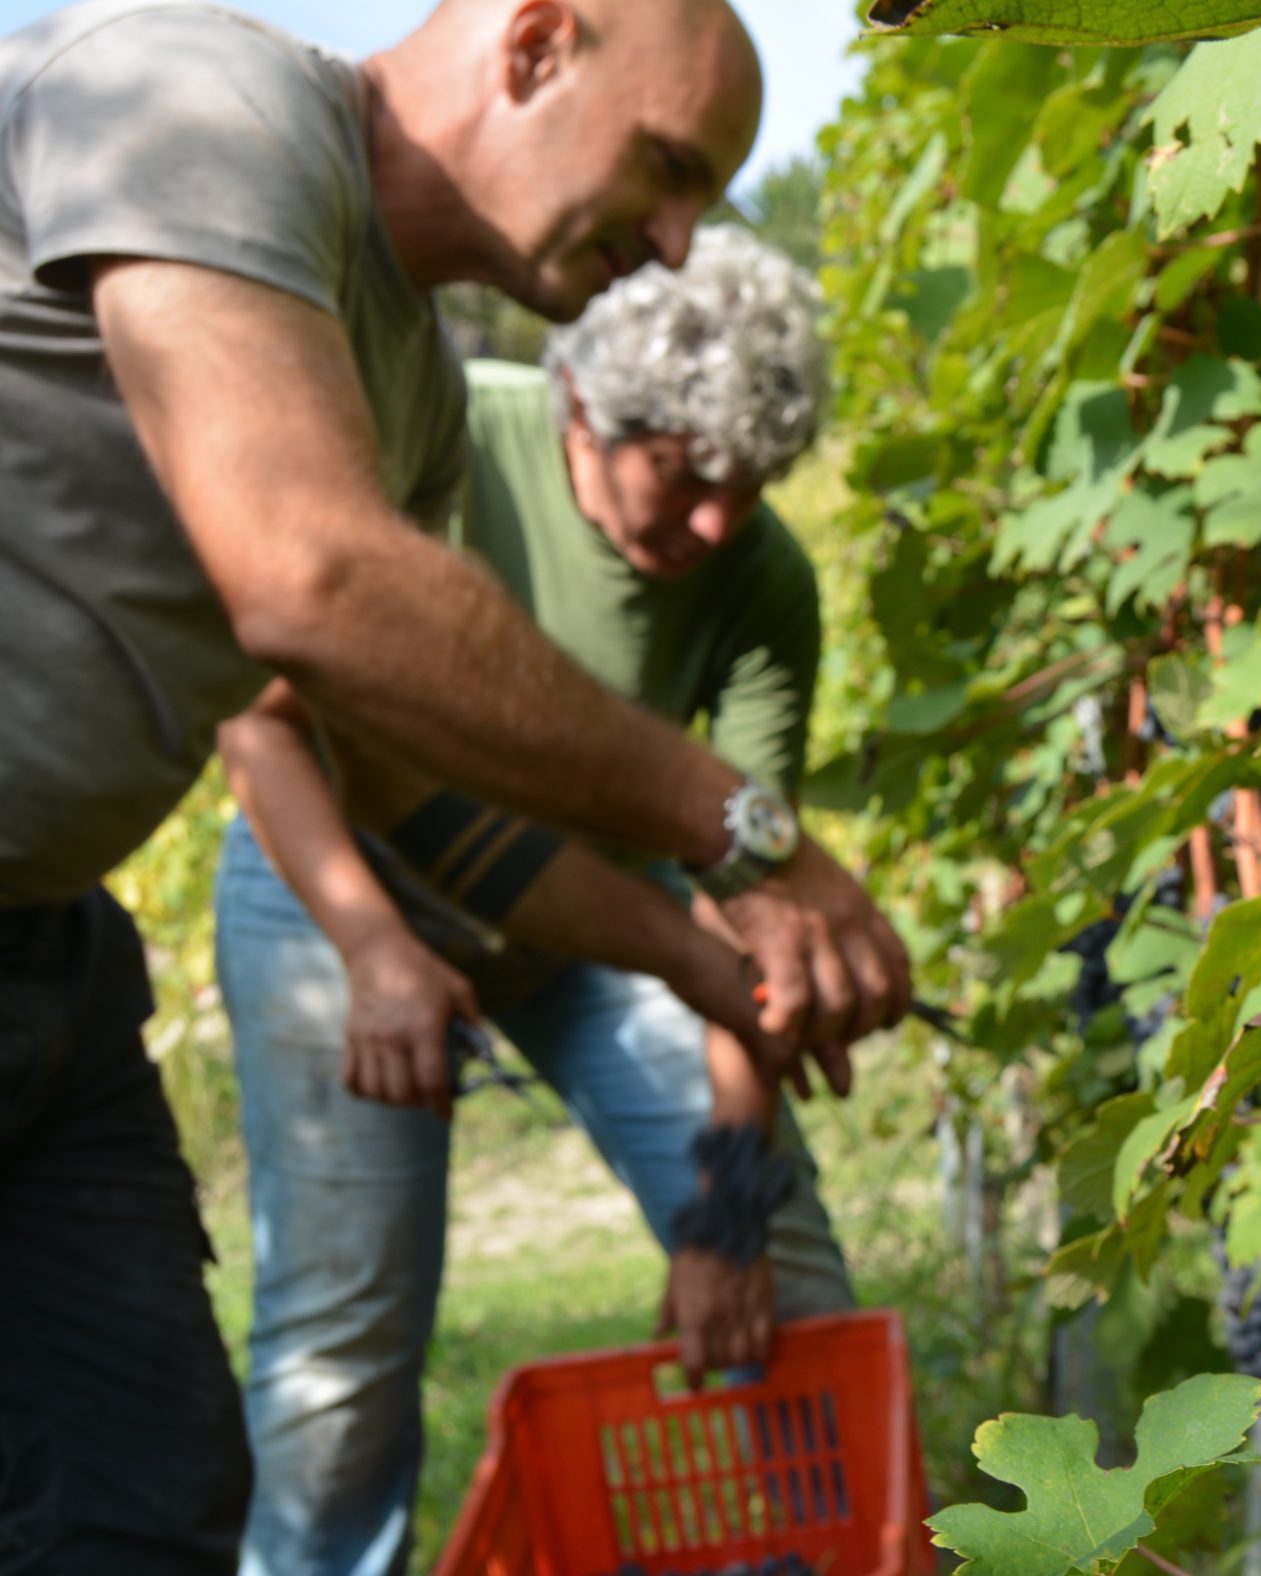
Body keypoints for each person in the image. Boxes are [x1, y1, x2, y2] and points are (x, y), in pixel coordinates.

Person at [0, 3, 908, 1569]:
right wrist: (737, 835)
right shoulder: (200, 94)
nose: (679, 242)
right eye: (668, 165)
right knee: (323, 1373)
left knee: (148, 1494)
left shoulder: (403, 392)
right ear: (537, 44)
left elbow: (415, 796)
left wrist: (700, 958)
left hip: (46, 957)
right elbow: (312, 584)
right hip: (194, 928)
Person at [214, 226, 855, 1576]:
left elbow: (743, 908)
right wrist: (374, 948)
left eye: (751, 485)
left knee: (780, 1259)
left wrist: (723, 1219)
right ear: (582, 409)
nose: (718, 523)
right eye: (686, 473)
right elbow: (262, 723)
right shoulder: (450, 441)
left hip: (600, 920)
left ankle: (818, 1551)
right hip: (337, 890)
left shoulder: (762, 582)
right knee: (340, 1351)